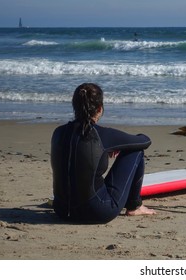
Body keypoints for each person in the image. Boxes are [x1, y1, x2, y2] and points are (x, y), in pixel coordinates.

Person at [51, 83, 156, 224]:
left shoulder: (58, 132)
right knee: (136, 151)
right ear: (100, 109)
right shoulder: (101, 135)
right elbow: (144, 141)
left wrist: (104, 150)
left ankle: (134, 205)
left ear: (74, 106)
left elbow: (79, 155)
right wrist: (117, 145)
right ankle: (134, 206)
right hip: (96, 212)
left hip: (62, 210)